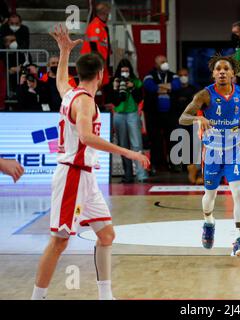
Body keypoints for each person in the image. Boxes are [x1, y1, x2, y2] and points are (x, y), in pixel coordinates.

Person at [31, 25, 149, 300]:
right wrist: (129, 152)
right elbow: (86, 137)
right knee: (59, 241)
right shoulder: (84, 102)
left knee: (106, 235)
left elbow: (61, 80)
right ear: (101, 75)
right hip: (72, 174)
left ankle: (105, 296)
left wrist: (63, 52)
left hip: (85, 177)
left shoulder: (70, 92)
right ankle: (37, 298)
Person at [179, 55, 240, 257]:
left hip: (233, 151)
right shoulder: (204, 95)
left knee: (239, 193)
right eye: (218, 69)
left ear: (233, 73)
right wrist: (199, 120)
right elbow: (183, 117)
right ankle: (208, 222)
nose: (222, 72)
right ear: (213, 74)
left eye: (226, 69)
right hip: (213, 152)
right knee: (210, 195)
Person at [110, 58, 149, 183]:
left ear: (130, 71)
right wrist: (115, 88)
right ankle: (127, 175)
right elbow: (114, 100)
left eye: (127, 71)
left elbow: (140, 98)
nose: (125, 73)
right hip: (119, 114)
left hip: (132, 114)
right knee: (123, 146)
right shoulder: (114, 82)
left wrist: (132, 88)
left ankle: (141, 175)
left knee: (137, 144)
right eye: (122, 71)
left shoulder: (136, 82)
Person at [143, 55, 181, 172]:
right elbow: (150, 87)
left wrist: (160, 87)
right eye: (162, 62)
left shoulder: (173, 75)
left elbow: (176, 85)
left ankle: (174, 165)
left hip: (170, 114)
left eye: (166, 61)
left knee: (173, 139)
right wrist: (167, 88)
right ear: (156, 64)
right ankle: (157, 165)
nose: (165, 63)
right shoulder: (149, 75)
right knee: (155, 140)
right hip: (154, 114)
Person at [174, 68, 201, 180]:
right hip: (179, 120)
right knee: (182, 144)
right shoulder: (175, 90)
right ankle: (186, 167)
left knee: (195, 144)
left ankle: (194, 168)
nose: (183, 77)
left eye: (185, 75)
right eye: (181, 75)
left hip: (193, 120)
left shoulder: (194, 89)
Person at [80, 2, 111, 87]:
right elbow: (93, 45)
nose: (109, 16)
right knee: (95, 87)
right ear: (104, 13)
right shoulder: (96, 25)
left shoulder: (102, 26)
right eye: (108, 13)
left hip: (99, 62)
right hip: (94, 63)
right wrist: (98, 63)